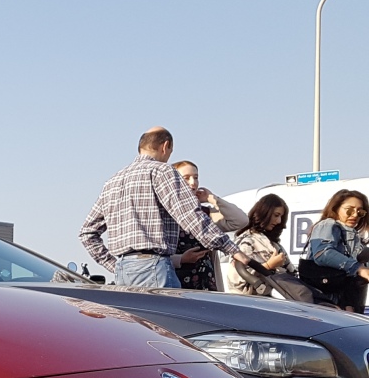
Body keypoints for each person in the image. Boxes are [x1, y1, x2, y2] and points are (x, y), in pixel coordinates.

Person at [80, 127, 256, 289]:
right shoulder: (162, 171)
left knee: (136, 323)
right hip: (154, 267)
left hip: (123, 271)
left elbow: (87, 233)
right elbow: (190, 216)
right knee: (166, 322)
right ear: (165, 146)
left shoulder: (112, 182)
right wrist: (233, 250)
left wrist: (114, 265)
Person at [169, 160, 249, 291]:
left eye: (196, 177)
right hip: (175, 281)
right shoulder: (165, 214)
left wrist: (212, 199)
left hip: (205, 280)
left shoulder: (205, 213)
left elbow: (241, 220)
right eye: (186, 178)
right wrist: (181, 259)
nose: (193, 183)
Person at [224, 195, 313, 302]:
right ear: (264, 213)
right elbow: (237, 283)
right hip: (256, 304)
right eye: (276, 215)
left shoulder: (273, 243)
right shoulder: (247, 241)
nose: (279, 221)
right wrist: (269, 265)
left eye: (281, 216)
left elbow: (292, 274)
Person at [298, 189, 369, 311]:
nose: (355, 215)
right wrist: (358, 268)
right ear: (336, 208)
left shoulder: (354, 235)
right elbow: (322, 253)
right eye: (349, 210)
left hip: (344, 301)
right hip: (325, 300)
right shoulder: (327, 225)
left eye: (360, 212)